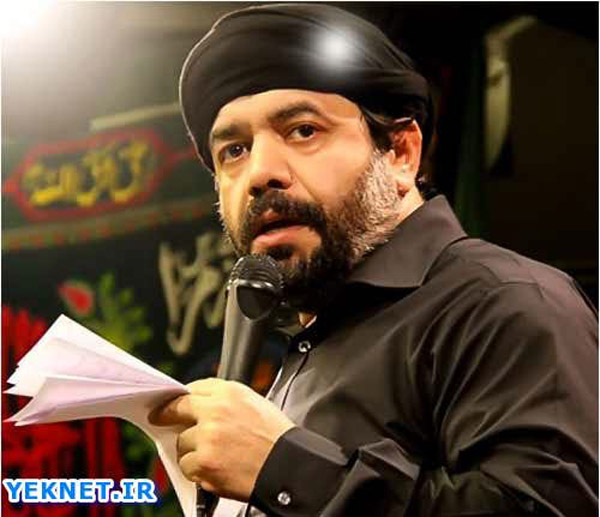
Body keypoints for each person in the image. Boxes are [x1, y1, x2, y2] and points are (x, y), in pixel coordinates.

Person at [149, 4, 598, 516]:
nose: (259, 173)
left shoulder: (502, 303)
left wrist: (285, 469)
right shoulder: (316, 345)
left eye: (303, 130)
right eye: (234, 150)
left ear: (401, 154)